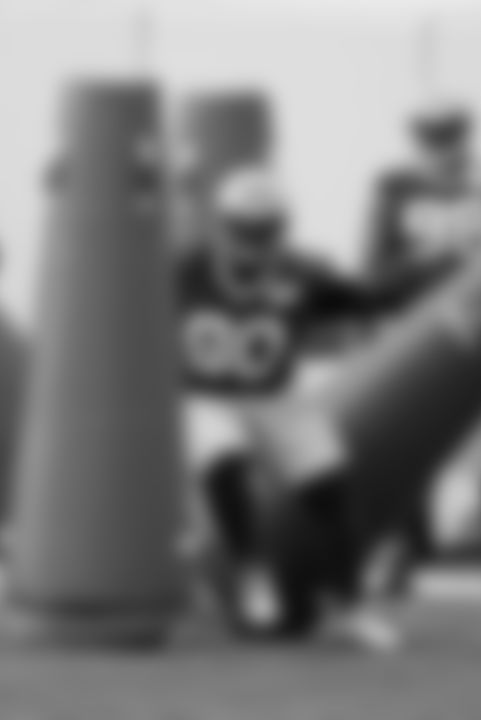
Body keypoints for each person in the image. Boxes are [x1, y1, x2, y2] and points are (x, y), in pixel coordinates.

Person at [179, 165, 446, 652]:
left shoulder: (300, 273)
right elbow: (117, 281)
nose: (253, 242)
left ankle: (351, 604)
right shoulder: (186, 267)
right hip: (205, 396)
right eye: (245, 229)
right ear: (222, 224)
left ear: (281, 228)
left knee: (330, 491)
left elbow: (370, 297)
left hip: (275, 397)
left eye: (263, 230)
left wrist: (428, 267)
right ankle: (252, 570)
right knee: (224, 461)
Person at [363, 98, 481, 615]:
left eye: (450, 139)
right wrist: (429, 265)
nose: (442, 152)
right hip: (417, 337)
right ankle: (408, 555)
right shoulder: (393, 187)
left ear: (468, 137)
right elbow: (374, 273)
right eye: (431, 140)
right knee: (410, 456)